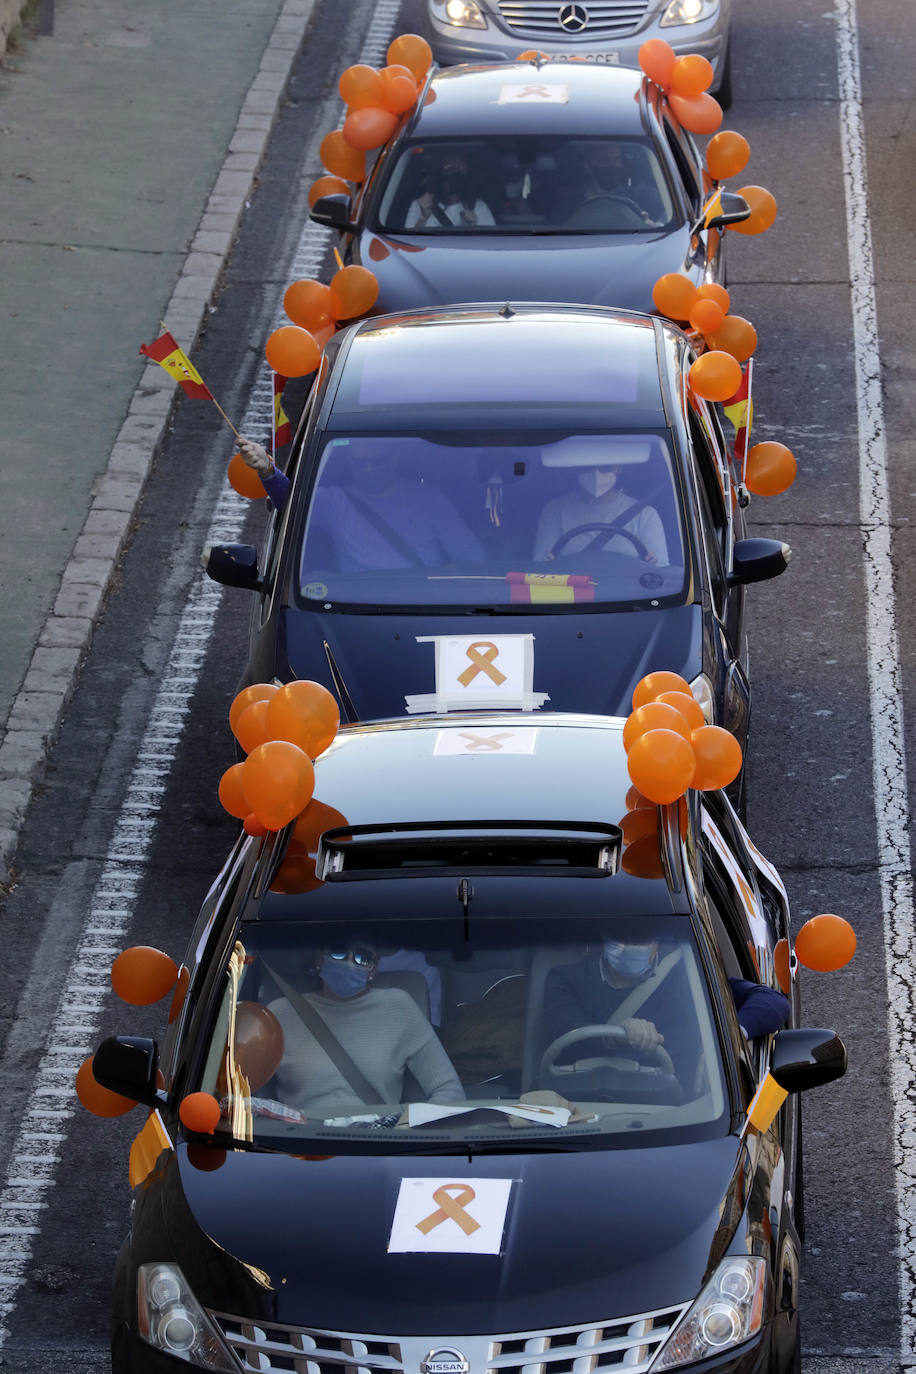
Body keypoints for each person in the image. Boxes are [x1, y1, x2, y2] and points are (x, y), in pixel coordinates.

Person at [268, 942, 465, 1117]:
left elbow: (450, 1092)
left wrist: (403, 1129)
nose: (349, 962)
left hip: (377, 1147)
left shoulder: (399, 1007)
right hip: (298, 1147)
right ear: (319, 958)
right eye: (339, 951)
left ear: (373, 969)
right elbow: (239, 1094)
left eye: (362, 957)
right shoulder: (279, 1014)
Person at [543, 937, 790, 1075]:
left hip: (678, 1110)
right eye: (619, 938)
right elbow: (566, 1031)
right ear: (603, 941)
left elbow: (772, 1002)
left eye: (639, 940)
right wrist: (620, 1034)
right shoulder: (566, 979)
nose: (629, 946)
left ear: (656, 944)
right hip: (581, 1102)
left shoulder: (688, 975)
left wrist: (732, 1038)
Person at [239, 437, 485, 572]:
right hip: (353, 606)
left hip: (421, 603)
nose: (367, 470)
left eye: (375, 462)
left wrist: (444, 579)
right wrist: (268, 471)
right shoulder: (336, 500)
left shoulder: (429, 500)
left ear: (394, 460)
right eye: (360, 464)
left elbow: (471, 557)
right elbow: (292, 505)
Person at [533, 462, 669, 564]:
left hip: (627, 596)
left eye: (606, 467)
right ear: (575, 467)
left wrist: (652, 565)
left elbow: (661, 574)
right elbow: (539, 569)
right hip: (570, 597)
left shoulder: (644, 515)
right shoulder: (555, 510)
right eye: (587, 467)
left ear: (619, 468)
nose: (596, 474)